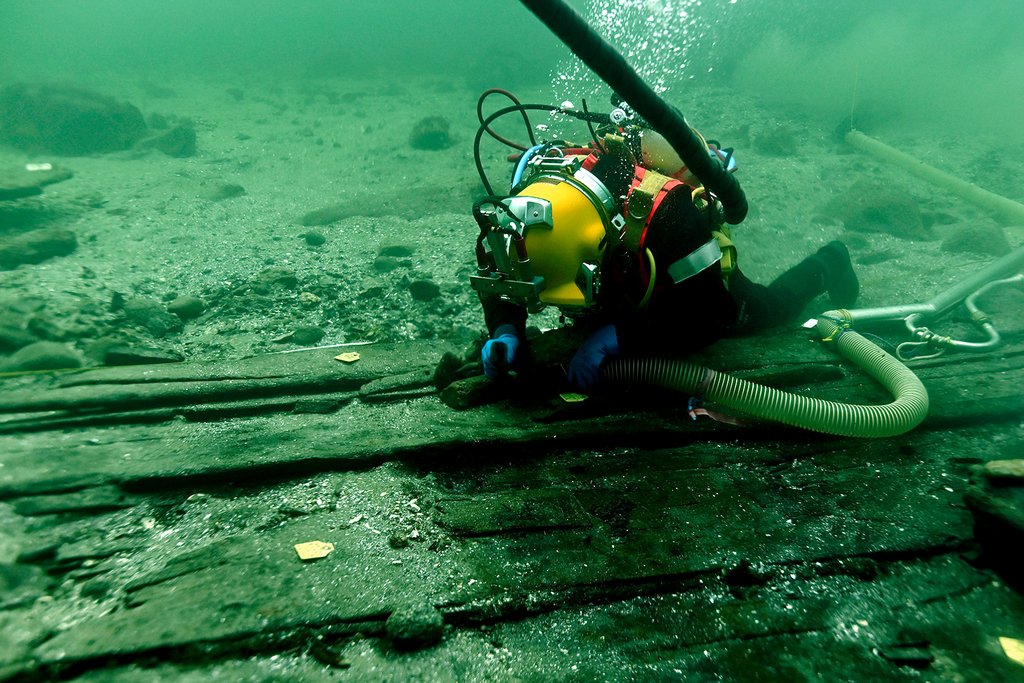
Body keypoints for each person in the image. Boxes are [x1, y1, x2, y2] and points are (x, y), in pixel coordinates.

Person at [470, 105, 859, 392]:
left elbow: (709, 317)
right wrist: (506, 329)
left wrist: (624, 336)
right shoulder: (521, 214)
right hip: (625, 276)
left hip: (679, 281)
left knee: (761, 310)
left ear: (600, 246)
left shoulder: (671, 214)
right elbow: (502, 275)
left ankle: (830, 261)